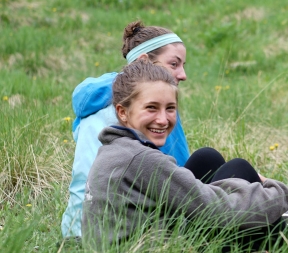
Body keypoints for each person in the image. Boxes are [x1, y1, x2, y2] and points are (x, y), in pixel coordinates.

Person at [83, 60, 288, 253]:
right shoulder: (142, 160)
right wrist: (274, 190)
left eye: (170, 108)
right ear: (122, 112)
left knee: (207, 159)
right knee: (240, 172)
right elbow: (217, 212)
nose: (163, 119)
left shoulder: (115, 150)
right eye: (151, 108)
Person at [60, 21, 191, 238]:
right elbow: (187, 178)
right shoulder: (151, 116)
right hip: (128, 230)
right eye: (174, 64)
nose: (183, 74)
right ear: (144, 62)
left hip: (75, 228)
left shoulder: (94, 105)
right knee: (215, 165)